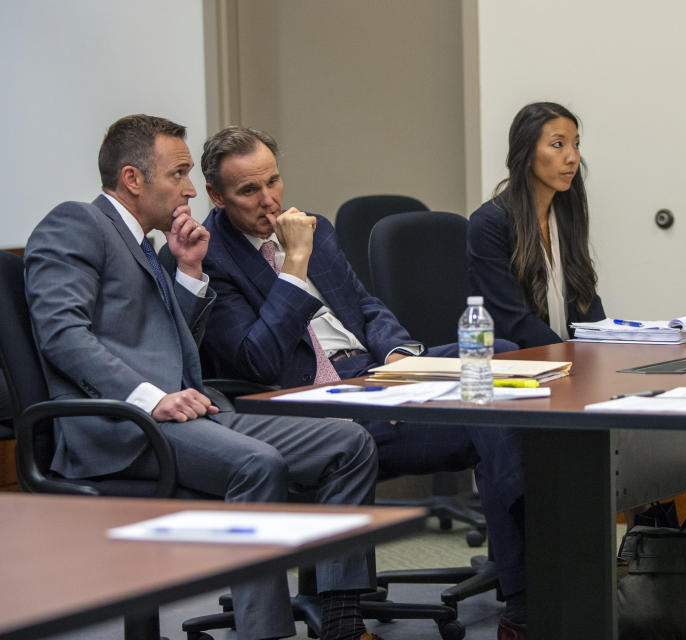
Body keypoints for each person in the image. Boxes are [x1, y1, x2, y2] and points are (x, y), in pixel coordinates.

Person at [23, 115, 382, 640]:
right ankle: (266, 633)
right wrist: (148, 398)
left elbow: (174, 346)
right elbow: (62, 335)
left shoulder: (151, 244)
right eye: (179, 173)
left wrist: (188, 273)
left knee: (348, 442)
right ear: (133, 179)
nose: (191, 189)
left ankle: (343, 623)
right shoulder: (75, 224)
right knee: (257, 464)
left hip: (192, 412)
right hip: (120, 428)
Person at [196, 126, 528, 640]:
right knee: (479, 409)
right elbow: (257, 360)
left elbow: (365, 307)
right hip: (307, 398)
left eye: (274, 182)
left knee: (499, 367)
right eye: (249, 191)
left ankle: (524, 595)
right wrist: (295, 266)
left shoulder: (316, 227)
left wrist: (398, 355)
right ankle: (347, 617)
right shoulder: (212, 256)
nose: (270, 201)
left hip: (373, 375)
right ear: (216, 196)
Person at [467, 101, 604, 348]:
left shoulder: (565, 212)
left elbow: (586, 298)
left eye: (576, 144)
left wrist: (608, 346)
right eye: (558, 145)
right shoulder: (489, 223)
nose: (572, 157)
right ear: (527, 152)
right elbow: (515, 322)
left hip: (569, 361)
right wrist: (572, 359)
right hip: (523, 364)